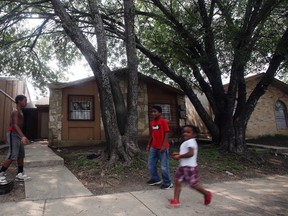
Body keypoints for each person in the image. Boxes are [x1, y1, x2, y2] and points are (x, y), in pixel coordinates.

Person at [169, 125, 212, 207]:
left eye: (188, 132)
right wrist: (179, 154)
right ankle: (176, 200)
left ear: (194, 134)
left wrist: (179, 156)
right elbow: (188, 153)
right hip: (183, 167)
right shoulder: (188, 142)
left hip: (189, 168)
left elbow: (191, 153)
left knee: (193, 185)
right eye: (184, 132)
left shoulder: (191, 141)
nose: (185, 133)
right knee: (177, 181)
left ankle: (206, 193)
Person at [0, 95, 31, 184]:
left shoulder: (20, 111)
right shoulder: (15, 111)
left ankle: (20, 174)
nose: (26, 102)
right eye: (25, 100)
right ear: (19, 101)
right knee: (13, 155)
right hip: (13, 134)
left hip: (18, 135)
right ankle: (0, 173)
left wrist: (22, 136)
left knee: (21, 155)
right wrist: (23, 136)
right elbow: (15, 125)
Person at [146, 105, 173, 189]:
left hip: (162, 147)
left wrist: (164, 145)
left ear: (160, 113)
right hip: (153, 147)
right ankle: (155, 179)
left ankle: (168, 182)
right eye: (152, 112)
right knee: (151, 164)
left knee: (164, 166)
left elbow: (166, 133)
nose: (153, 113)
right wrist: (148, 145)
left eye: (155, 112)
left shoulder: (163, 121)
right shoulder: (151, 123)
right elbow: (151, 134)